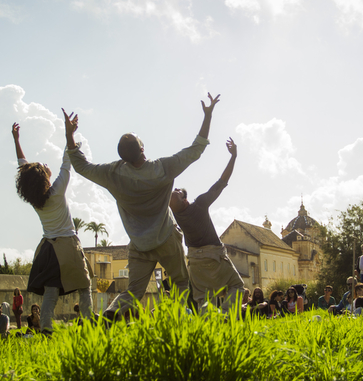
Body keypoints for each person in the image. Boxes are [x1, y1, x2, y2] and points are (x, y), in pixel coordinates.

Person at [63, 94, 219, 320]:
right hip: (166, 238)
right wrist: (208, 116)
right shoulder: (162, 168)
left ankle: (111, 313)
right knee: (182, 282)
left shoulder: (112, 174)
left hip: (139, 244)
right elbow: (196, 149)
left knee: (133, 292)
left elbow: (81, 165)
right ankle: (188, 321)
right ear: (143, 149)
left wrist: (70, 134)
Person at [12, 122, 92, 334]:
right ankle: (88, 325)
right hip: (67, 245)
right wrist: (69, 134)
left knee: (51, 291)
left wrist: (17, 141)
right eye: (44, 168)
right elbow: (67, 160)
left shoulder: (34, 199)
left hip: (48, 248)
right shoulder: (57, 192)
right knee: (85, 286)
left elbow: (24, 168)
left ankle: (46, 329)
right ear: (44, 178)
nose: (47, 166)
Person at [170, 138, 244, 314]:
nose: (176, 191)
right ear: (185, 199)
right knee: (237, 285)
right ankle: (225, 315)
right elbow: (221, 182)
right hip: (213, 255)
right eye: (176, 192)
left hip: (195, 259)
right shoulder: (199, 204)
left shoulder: (175, 215)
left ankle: (209, 326)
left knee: (203, 298)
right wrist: (234, 157)